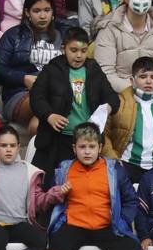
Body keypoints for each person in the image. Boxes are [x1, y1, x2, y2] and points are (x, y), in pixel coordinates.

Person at [29, 28, 121, 183]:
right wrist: (49, 115)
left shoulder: (94, 69)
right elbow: (36, 97)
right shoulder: (52, 69)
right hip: (57, 139)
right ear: (63, 49)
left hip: (85, 141)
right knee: (50, 184)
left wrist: (106, 108)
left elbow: (112, 98)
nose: (79, 55)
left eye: (83, 51)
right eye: (73, 50)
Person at [0, 0, 65, 130]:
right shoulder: (13, 35)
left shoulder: (64, 35)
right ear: (27, 13)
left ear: (53, 13)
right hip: (21, 94)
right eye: (36, 11)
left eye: (47, 10)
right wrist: (23, 78)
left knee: (37, 125)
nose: (42, 16)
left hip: (57, 93)